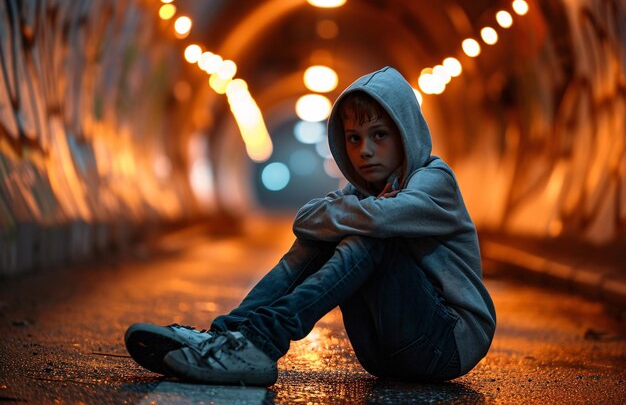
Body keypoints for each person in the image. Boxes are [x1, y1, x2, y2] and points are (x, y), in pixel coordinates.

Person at [124, 66, 496, 386]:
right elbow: (305, 221)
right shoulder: (360, 192)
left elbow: (374, 218)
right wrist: (345, 214)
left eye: (379, 136)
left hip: (446, 344)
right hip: (383, 354)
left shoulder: (435, 180)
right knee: (337, 235)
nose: (364, 150)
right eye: (354, 138)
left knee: (371, 237)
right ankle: (230, 335)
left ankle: (261, 342)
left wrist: (343, 215)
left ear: (405, 135)